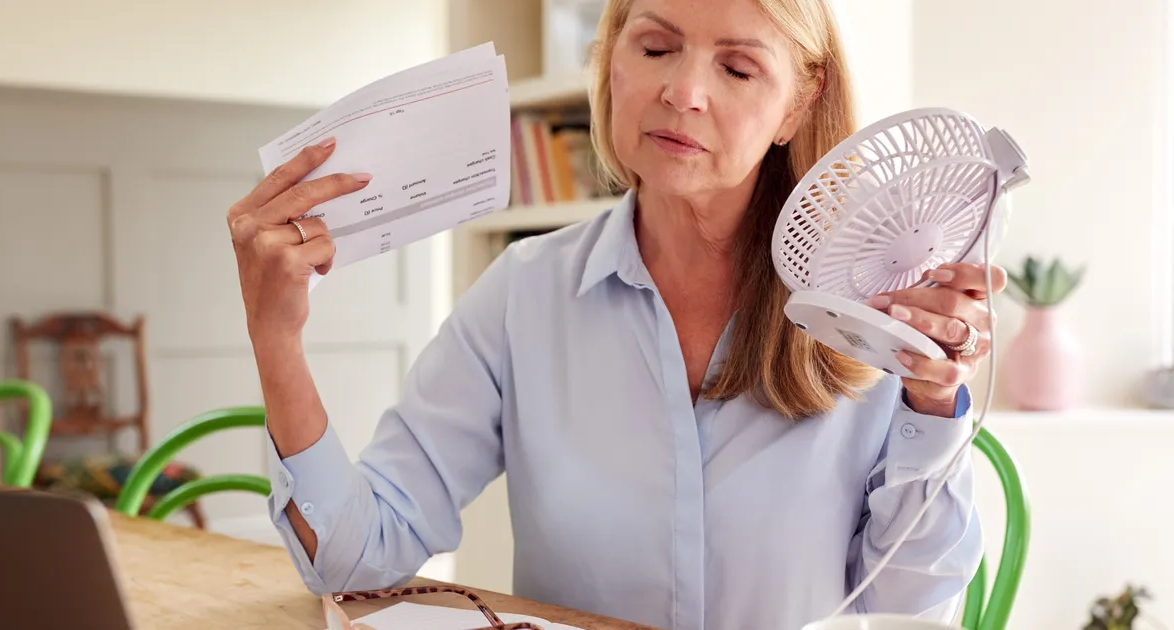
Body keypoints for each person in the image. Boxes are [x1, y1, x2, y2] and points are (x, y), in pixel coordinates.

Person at [227, 0, 1005, 628]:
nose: (683, 92)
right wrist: (277, 337)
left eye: (736, 66)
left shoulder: (867, 302)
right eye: (656, 48)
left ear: (800, 103)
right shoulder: (523, 295)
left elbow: (909, 596)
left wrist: (931, 404)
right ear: (611, 59)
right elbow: (357, 562)